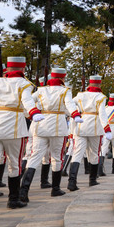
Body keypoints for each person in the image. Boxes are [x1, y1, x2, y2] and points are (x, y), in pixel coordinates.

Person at [0, 56, 44, 220]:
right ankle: (13, 200)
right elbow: (27, 101)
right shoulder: (24, 84)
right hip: (14, 130)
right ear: (23, 69)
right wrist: (33, 112)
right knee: (15, 164)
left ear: (8, 69)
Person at [19, 67, 82, 202]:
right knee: (56, 158)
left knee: (34, 157)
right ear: (62, 78)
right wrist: (75, 114)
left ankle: (23, 191)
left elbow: (26, 102)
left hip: (40, 125)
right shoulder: (65, 91)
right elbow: (70, 105)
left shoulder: (41, 90)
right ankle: (55, 189)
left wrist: (31, 115)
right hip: (57, 127)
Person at [69, 75, 112, 190]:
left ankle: (71, 182)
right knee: (94, 154)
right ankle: (92, 180)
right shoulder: (101, 97)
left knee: (77, 153)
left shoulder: (80, 95)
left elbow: (70, 103)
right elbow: (102, 114)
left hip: (81, 125)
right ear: (99, 84)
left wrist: (76, 115)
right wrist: (107, 129)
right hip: (94, 127)